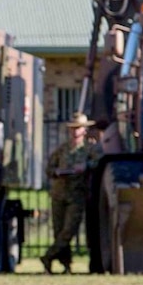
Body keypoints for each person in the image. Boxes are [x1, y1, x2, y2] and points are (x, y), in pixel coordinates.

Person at [41, 112, 99, 274]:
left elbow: (98, 162)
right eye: (72, 128)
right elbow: (49, 169)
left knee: (69, 230)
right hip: (59, 194)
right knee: (59, 231)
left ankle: (48, 256)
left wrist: (85, 166)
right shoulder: (62, 149)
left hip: (77, 195)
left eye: (78, 128)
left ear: (84, 131)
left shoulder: (89, 149)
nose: (75, 131)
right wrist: (57, 171)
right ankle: (65, 264)